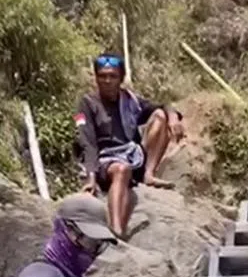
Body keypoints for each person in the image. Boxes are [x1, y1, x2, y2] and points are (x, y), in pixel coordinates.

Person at [74, 52, 185, 239]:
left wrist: (173, 116)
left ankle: (149, 174)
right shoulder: (87, 104)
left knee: (160, 115)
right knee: (121, 169)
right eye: (102, 76)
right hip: (106, 161)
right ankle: (117, 230)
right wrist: (90, 178)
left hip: (132, 156)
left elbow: (161, 106)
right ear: (96, 78)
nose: (107, 81)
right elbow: (87, 141)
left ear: (121, 78)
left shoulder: (130, 100)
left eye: (112, 76)